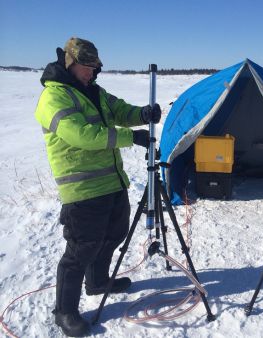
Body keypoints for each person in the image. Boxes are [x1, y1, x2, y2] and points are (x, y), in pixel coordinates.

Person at [34, 37, 161, 337]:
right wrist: (132, 138)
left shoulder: (94, 92)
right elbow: (83, 135)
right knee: (81, 249)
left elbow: (118, 110)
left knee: (115, 232)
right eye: (87, 67)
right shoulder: (54, 98)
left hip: (111, 182)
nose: (92, 73)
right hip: (82, 190)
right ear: (70, 63)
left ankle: (98, 281)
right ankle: (64, 311)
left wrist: (141, 114)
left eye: (95, 68)